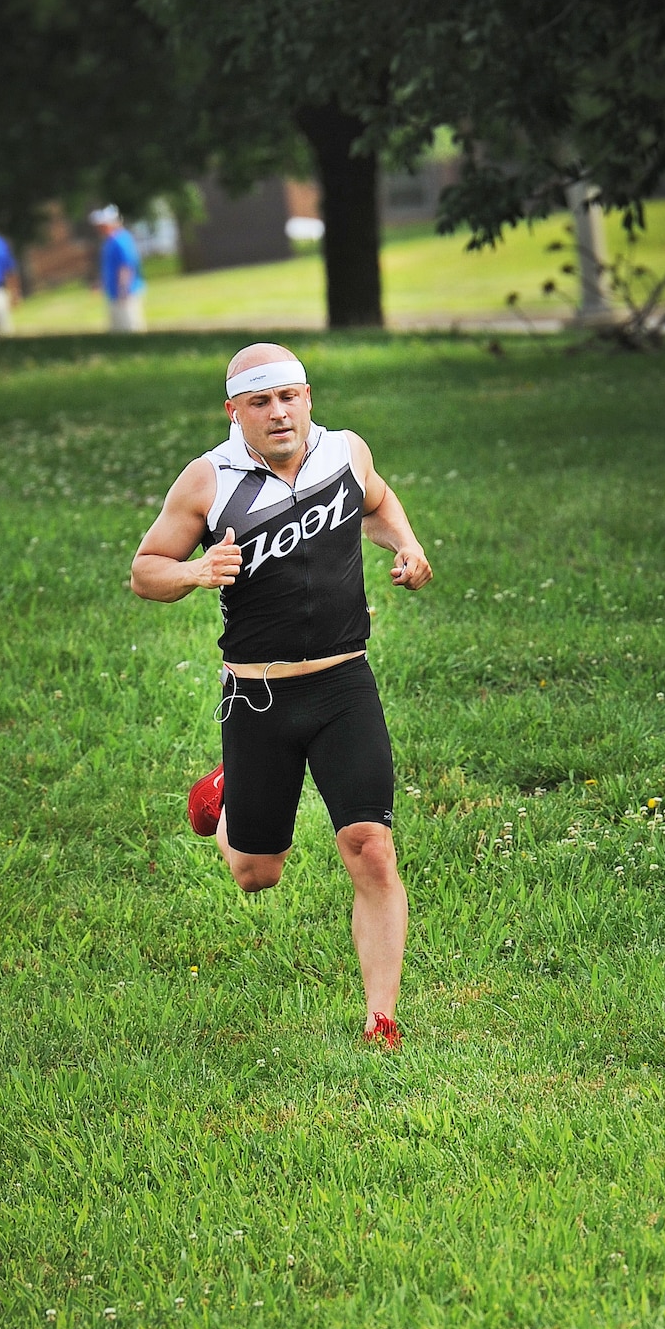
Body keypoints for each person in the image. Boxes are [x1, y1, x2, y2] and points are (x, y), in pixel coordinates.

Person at [131, 343, 432, 1047]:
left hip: (343, 687)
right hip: (258, 700)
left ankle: (380, 1018)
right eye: (261, 402)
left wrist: (408, 550)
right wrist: (198, 571)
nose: (279, 413)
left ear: (308, 398)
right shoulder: (208, 481)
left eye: (289, 397)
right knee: (255, 874)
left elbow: (378, 502)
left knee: (370, 846)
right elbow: (146, 570)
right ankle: (232, 790)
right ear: (235, 411)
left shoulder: (345, 454)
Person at [91, 205, 146, 332]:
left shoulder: (121, 240)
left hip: (125, 293)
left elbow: (126, 266)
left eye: (102, 225)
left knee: (129, 327)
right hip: (113, 293)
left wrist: (123, 289)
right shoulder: (109, 241)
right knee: (117, 330)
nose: (99, 229)